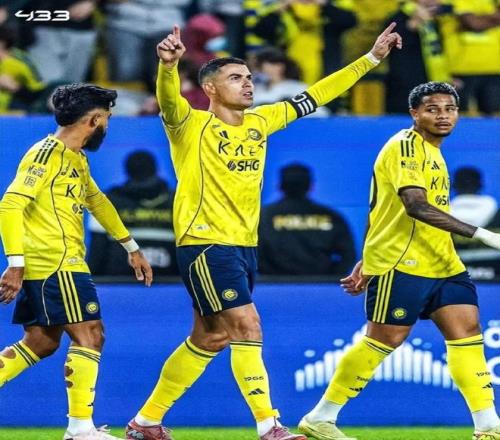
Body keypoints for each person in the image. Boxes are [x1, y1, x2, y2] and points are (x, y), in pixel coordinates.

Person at [124, 22, 402, 440]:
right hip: (206, 244)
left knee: (210, 338)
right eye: (236, 78)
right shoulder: (189, 124)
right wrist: (168, 66)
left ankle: (146, 422)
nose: (248, 84)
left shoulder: (262, 121)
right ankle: (269, 425)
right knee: (248, 327)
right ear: (211, 88)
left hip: (243, 246)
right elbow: (168, 98)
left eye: (250, 77)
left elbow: (318, 94)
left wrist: (372, 58)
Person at [298, 82, 500, 440]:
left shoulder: (433, 151)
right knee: (385, 339)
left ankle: (488, 426)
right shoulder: (404, 146)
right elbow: (415, 206)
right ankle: (321, 416)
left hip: (444, 262)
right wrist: (484, 234)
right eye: (432, 109)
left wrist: (364, 256)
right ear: (414, 113)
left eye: (450, 109)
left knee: (467, 333)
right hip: (402, 262)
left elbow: (380, 208)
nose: (442, 116)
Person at [0, 84, 153, 440]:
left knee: (41, 342)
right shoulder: (46, 154)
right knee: (91, 334)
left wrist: (130, 246)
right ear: (94, 120)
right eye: (107, 119)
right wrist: (15, 263)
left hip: (56, 263)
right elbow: (10, 204)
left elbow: (97, 201)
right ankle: (80, 429)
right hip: (56, 263)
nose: (108, 126)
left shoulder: (75, 158)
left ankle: (80, 429)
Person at [88, 150, 178, 276]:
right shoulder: (177, 200)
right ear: (156, 170)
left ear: (127, 172)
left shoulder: (107, 202)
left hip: (117, 282)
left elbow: (97, 250)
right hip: (172, 282)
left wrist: (93, 280)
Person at [259, 163, 355, 275]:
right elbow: (348, 255)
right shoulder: (331, 216)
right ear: (311, 186)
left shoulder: (263, 217)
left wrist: (270, 275)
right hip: (321, 283)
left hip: (272, 283)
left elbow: (253, 253)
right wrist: (329, 277)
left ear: (280, 186)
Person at [384, 0, 452, 113]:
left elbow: (436, 53)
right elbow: (392, 47)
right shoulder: (398, 19)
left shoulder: (433, 20)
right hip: (404, 88)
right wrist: (413, 24)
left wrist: (445, 77)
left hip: (430, 84)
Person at [451, 167, 500, 281]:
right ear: (480, 185)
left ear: (453, 186)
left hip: (454, 277)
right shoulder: (497, 215)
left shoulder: (437, 218)